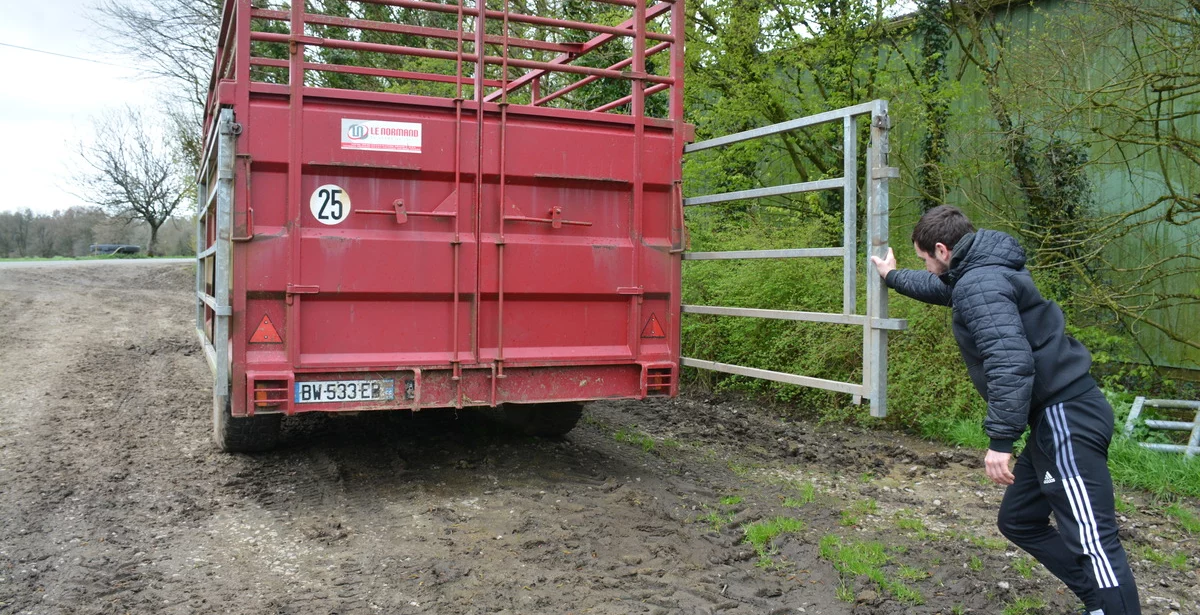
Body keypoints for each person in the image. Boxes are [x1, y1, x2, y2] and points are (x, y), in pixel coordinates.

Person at [870, 205, 1140, 615]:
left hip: (1067, 418)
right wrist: (892, 276)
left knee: (1092, 538)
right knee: (1019, 519)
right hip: (1059, 415)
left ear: (942, 250)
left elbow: (1010, 361)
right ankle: (1100, 601)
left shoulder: (979, 284)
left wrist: (1000, 441)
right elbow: (943, 289)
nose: (925, 266)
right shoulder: (984, 271)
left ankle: (1113, 607)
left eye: (924, 259)